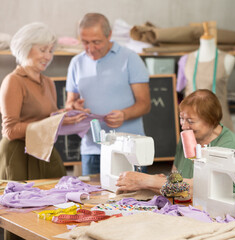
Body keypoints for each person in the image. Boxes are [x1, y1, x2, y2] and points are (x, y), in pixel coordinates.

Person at [65, 13, 151, 175]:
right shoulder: (76, 62)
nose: (90, 48)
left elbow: (145, 104)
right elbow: (70, 103)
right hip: (92, 149)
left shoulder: (130, 59)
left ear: (109, 35)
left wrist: (124, 115)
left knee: (132, 199)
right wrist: (74, 108)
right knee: (92, 199)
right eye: (85, 42)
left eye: (96, 42)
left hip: (129, 148)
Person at [0, 22, 85, 181]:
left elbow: (46, 118)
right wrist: (53, 121)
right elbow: (10, 131)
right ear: (25, 47)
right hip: (18, 154)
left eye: (51, 51)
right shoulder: (13, 81)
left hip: (43, 150)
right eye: (43, 50)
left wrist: (66, 114)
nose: (48, 56)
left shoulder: (48, 82)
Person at [116, 89, 235, 194]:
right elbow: (176, 176)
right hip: (188, 203)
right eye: (182, 118)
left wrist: (148, 181)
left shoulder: (228, 145)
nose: (184, 126)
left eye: (191, 121)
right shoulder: (188, 138)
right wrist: (164, 180)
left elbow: (204, 187)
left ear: (211, 120)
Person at [177, 23, 235, 130]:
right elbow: (179, 89)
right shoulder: (185, 60)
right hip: (191, 125)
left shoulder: (228, 59)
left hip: (219, 123)